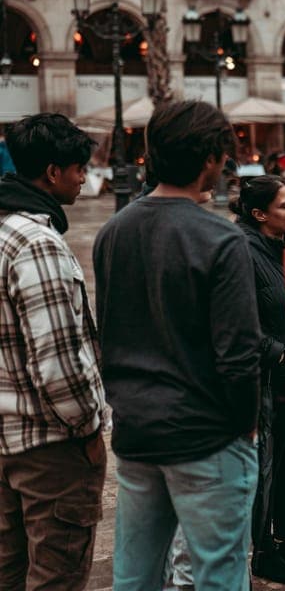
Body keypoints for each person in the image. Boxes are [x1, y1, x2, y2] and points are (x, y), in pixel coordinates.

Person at [93, 100, 261, 590]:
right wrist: (245, 427)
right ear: (210, 158)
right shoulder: (221, 240)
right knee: (218, 574)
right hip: (206, 434)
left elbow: (110, 331)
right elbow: (239, 355)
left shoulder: (113, 232)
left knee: (135, 576)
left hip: (137, 432)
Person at [0, 114, 106, 590]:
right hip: (49, 449)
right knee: (55, 578)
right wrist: (88, 427)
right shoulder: (38, 243)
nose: (84, 178)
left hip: (6, 439)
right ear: (51, 172)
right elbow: (59, 363)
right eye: (79, 168)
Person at [228, 176, 285, 584]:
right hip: (268, 380)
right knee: (266, 468)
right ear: (258, 214)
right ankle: (262, 551)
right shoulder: (241, 250)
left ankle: (284, 541)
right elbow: (235, 318)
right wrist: (278, 354)